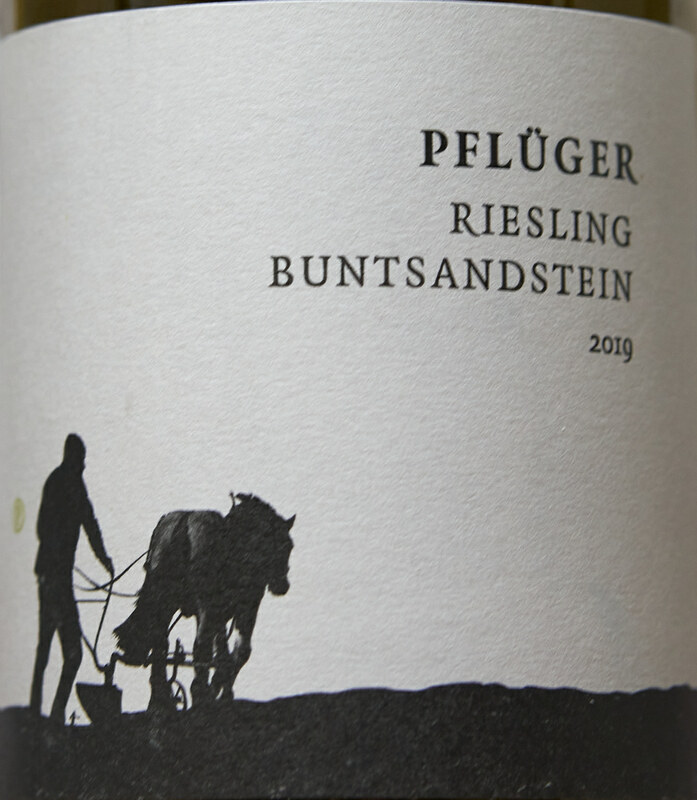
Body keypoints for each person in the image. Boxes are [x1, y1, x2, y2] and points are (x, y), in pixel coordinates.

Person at [29, 433, 113, 724]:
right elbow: (86, 524)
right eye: (82, 460)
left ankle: (42, 713)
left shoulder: (59, 482)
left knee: (47, 649)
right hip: (56, 581)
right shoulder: (70, 485)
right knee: (70, 653)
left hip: (51, 578)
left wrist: (103, 559)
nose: (84, 466)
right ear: (73, 457)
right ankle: (50, 715)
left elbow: (47, 527)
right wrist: (103, 560)